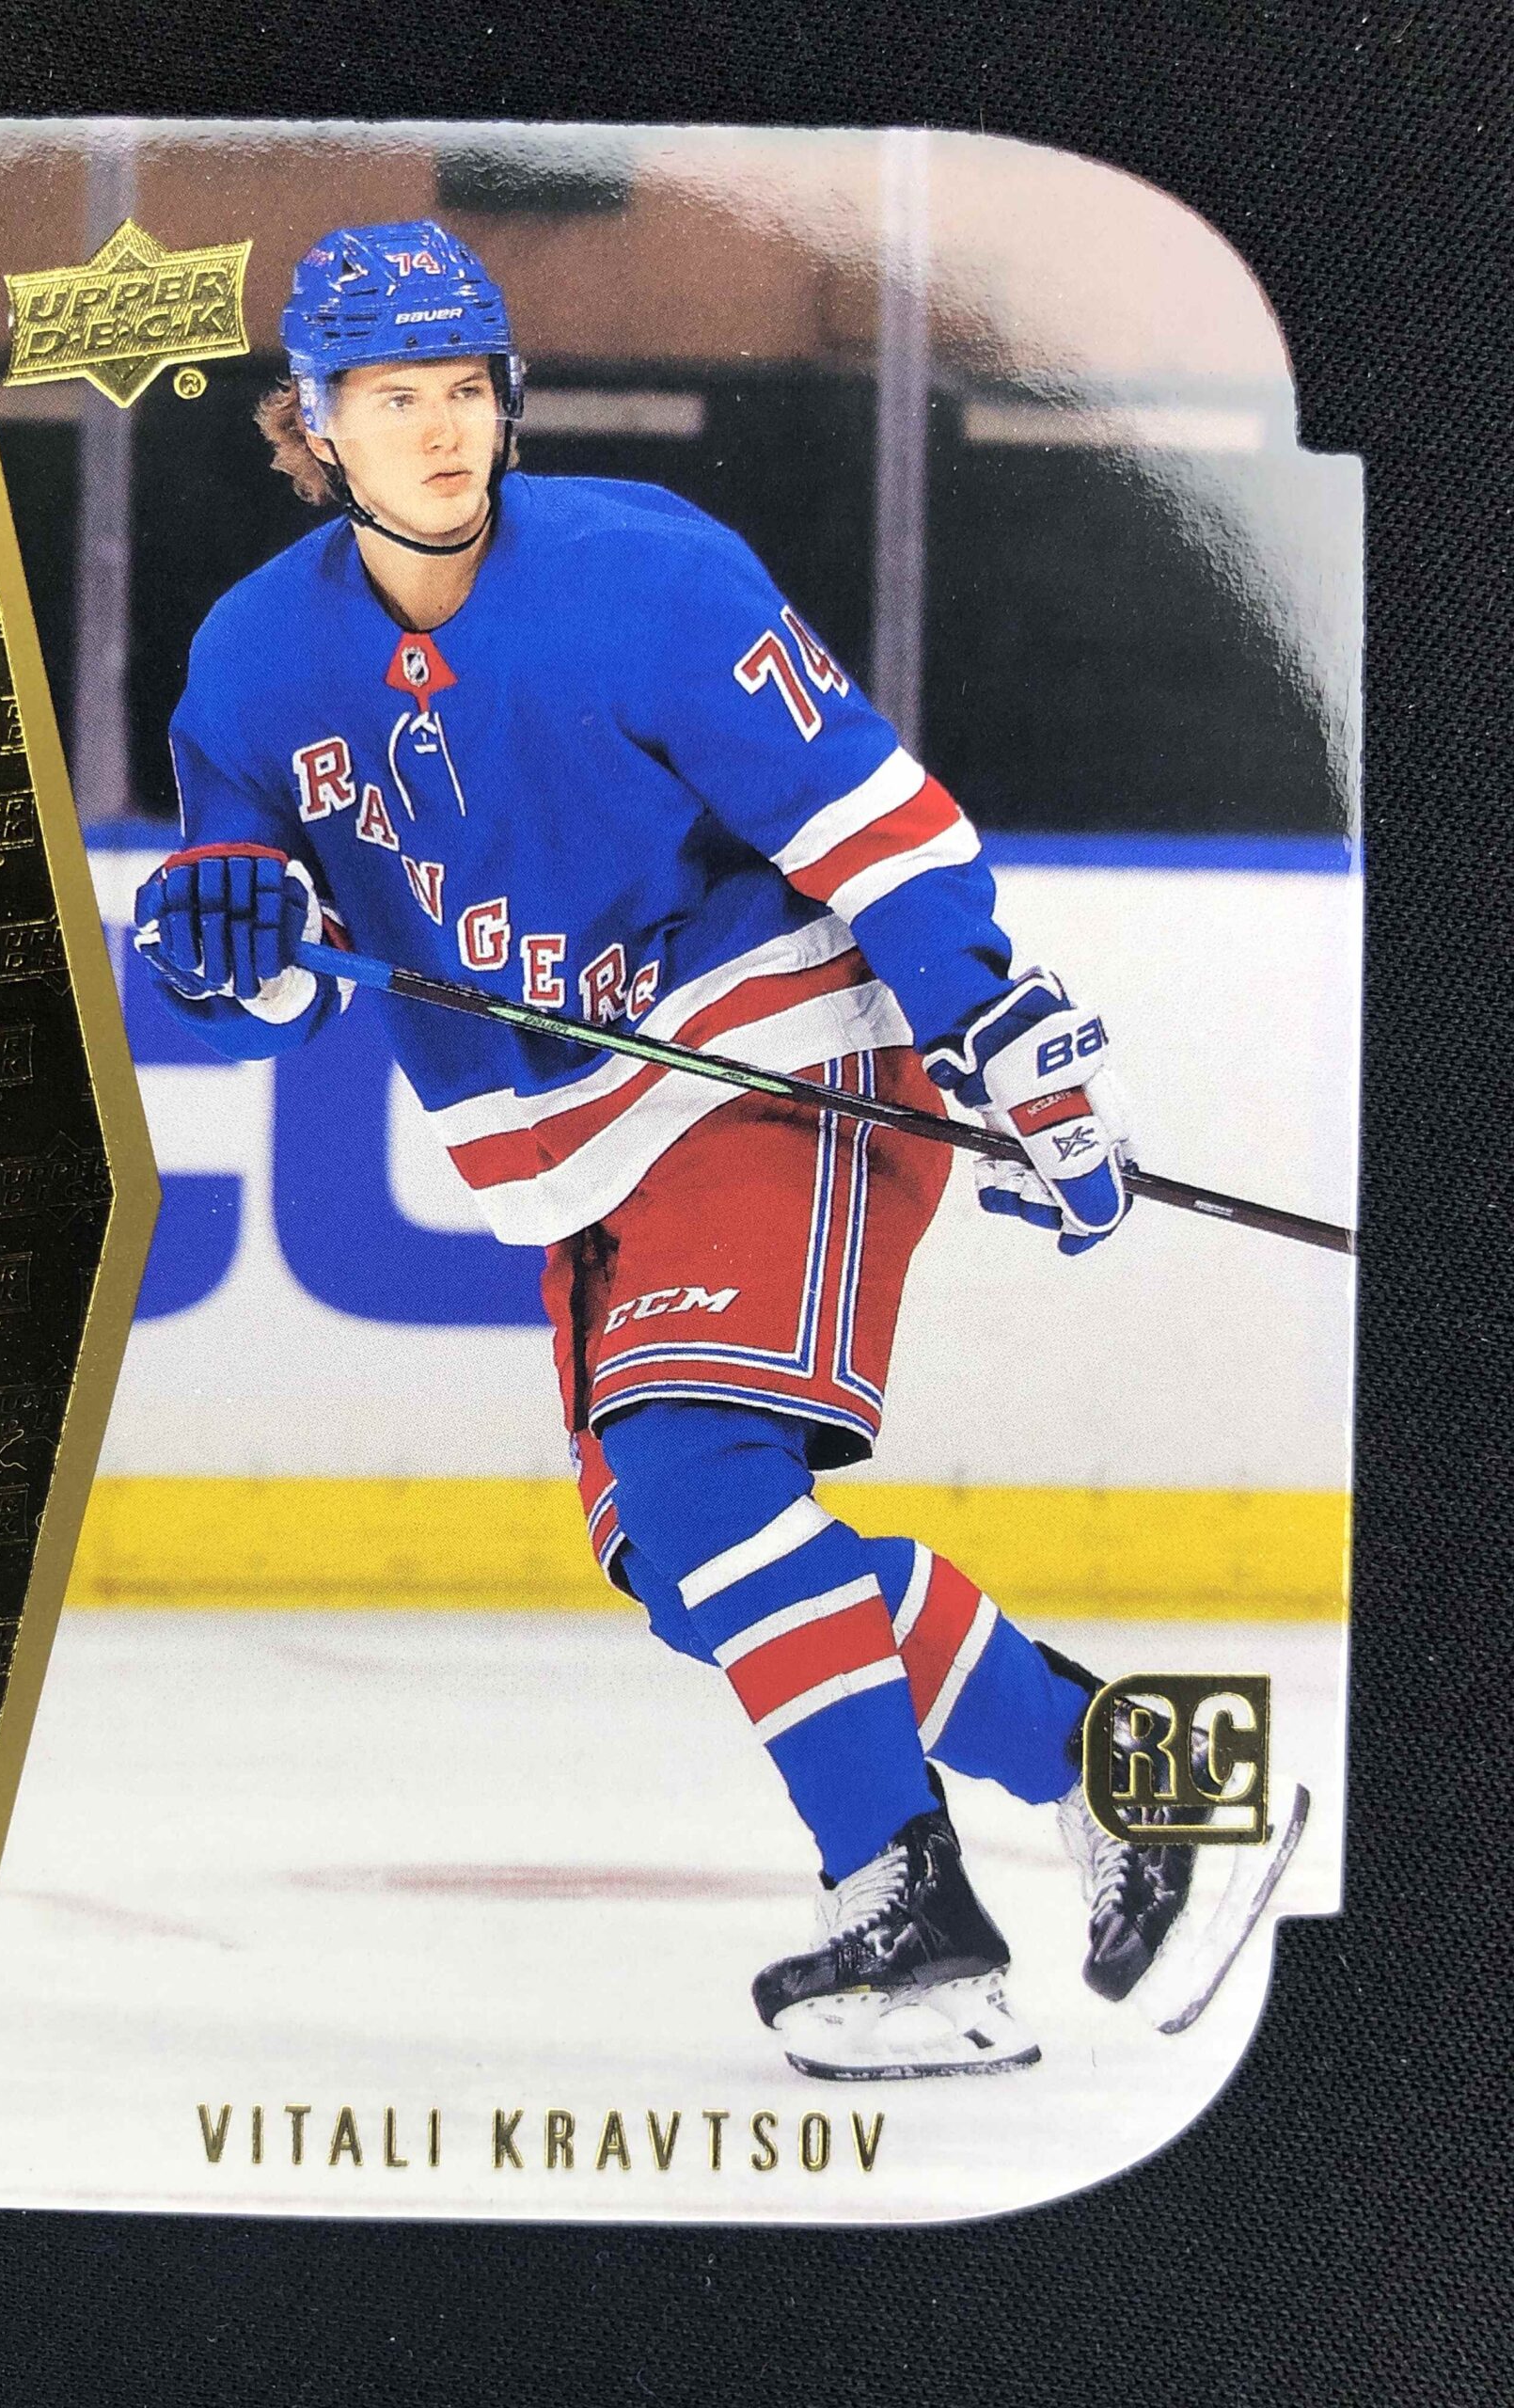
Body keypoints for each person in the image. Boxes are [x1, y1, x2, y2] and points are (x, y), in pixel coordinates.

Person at [134, 219, 1191, 2079]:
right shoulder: (250, 669)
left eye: (467, 389)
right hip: (578, 1154)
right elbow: (272, 976)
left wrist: (995, 1026)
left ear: (506, 400)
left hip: (780, 1055)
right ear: (315, 422)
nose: (442, 429)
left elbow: (874, 822)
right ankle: (1131, 1769)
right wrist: (230, 960)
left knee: (700, 1483)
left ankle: (910, 1917)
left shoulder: (652, 574)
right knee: (701, 1574)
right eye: (395, 397)